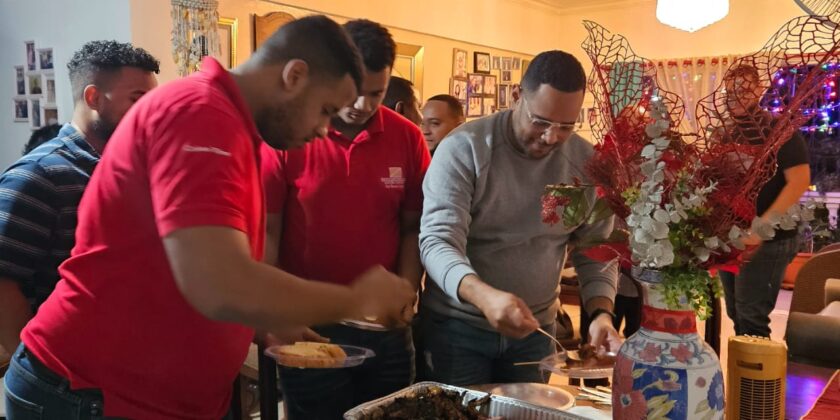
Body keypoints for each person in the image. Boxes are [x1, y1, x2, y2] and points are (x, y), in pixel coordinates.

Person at [4, 16, 416, 420]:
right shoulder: (200, 113)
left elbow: (182, 264)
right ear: (294, 76)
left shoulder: (233, 127)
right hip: (93, 391)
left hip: (150, 394)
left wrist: (263, 324)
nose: (325, 130)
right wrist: (358, 297)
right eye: (326, 110)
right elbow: (220, 284)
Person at [419, 50, 621, 386]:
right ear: (516, 97)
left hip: (537, 333)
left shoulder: (586, 163)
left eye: (566, 126)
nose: (551, 137)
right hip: (457, 329)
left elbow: (596, 250)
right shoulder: (465, 149)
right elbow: (437, 242)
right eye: (540, 121)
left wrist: (601, 313)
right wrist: (484, 297)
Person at [262, 19, 430, 419]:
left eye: (377, 93)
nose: (362, 105)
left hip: (385, 327)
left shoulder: (407, 137)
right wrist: (273, 312)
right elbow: (268, 232)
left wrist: (406, 290)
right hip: (309, 324)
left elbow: (411, 227)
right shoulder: (290, 136)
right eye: (354, 92)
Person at [0, 41, 160, 358]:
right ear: (93, 98)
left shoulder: (128, 171)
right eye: (137, 100)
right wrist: (33, 365)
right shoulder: (39, 174)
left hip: (114, 363)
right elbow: (3, 284)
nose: (150, 113)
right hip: (62, 377)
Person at [718, 64, 810, 337]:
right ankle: (742, 379)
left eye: (744, 89)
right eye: (730, 91)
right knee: (736, 313)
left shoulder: (779, 130)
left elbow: (799, 181)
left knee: (752, 317)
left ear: (759, 90)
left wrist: (759, 230)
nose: (735, 96)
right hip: (733, 239)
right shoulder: (727, 133)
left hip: (771, 239)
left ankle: (759, 381)